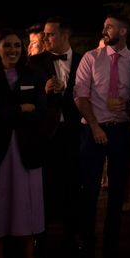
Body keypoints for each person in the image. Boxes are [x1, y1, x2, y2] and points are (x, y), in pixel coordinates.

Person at [74, 14, 130, 258]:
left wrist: (129, 101)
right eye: (105, 25)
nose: (105, 30)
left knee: (118, 189)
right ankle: (86, 240)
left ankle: (111, 243)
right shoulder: (91, 58)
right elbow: (80, 95)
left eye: (110, 26)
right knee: (89, 187)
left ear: (124, 30)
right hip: (93, 129)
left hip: (121, 129)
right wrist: (95, 127)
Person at [0, 29, 47, 258]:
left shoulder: (33, 75)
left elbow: (40, 113)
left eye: (17, 45)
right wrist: (19, 109)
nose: (13, 50)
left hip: (27, 150)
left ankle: (29, 257)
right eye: (7, 46)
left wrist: (3, 110)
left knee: (27, 205)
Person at [28, 17, 83, 243]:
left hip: (75, 129)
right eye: (45, 34)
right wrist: (45, 90)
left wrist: (66, 94)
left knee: (74, 182)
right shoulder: (35, 62)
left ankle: (73, 234)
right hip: (47, 131)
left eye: (50, 34)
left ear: (65, 35)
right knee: (46, 183)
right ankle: (41, 234)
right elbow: (29, 94)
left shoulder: (83, 60)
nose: (45, 38)